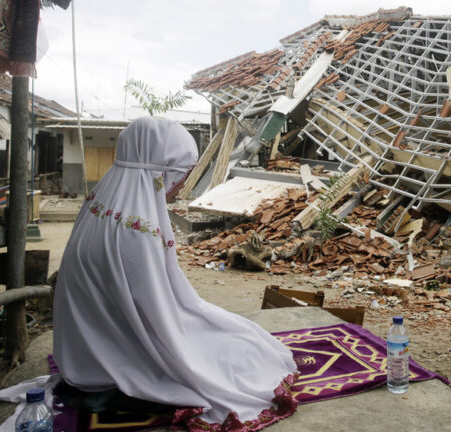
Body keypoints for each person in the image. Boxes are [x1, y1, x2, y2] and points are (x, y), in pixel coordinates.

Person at [52, 117, 298, 429]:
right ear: (157, 167)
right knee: (241, 350)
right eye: (178, 172)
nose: (181, 182)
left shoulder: (101, 204)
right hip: (110, 358)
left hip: (82, 351)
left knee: (231, 334)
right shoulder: (135, 229)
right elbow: (158, 314)